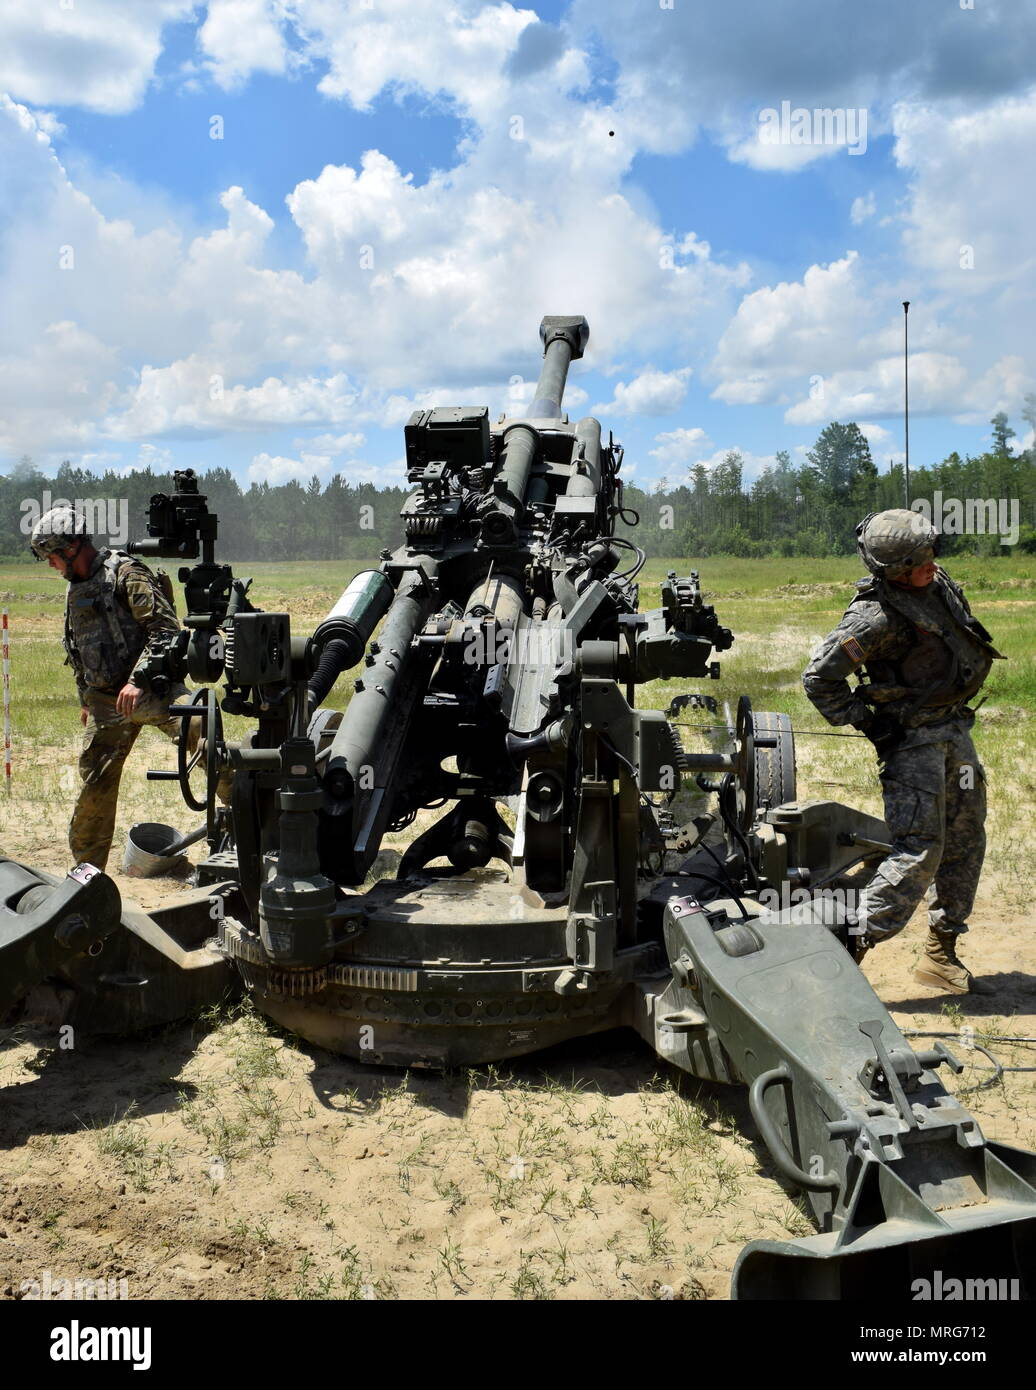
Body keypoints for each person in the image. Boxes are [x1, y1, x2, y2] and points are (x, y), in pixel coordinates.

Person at [802, 508, 1003, 995]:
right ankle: (847, 951)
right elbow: (820, 680)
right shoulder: (872, 618)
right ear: (892, 571)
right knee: (918, 850)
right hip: (912, 742)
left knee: (965, 836)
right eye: (918, 561)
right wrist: (873, 726)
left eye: (932, 553)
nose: (930, 565)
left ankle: (940, 951)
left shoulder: (938, 581)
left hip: (954, 730)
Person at [30, 506, 197, 873]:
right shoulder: (76, 590)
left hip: (154, 689)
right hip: (107, 703)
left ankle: (251, 822)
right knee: (95, 789)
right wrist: (85, 699)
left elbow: (166, 631)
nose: (51, 566)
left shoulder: (126, 572)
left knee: (204, 738)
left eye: (52, 557)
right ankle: (87, 879)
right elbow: (76, 649)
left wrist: (137, 680)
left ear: (72, 548)